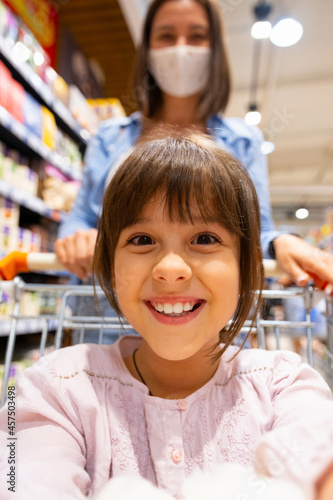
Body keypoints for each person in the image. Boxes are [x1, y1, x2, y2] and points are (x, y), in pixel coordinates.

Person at [1, 134, 333, 500]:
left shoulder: (286, 386)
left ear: (245, 266)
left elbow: (315, 457)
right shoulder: (54, 389)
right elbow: (25, 480)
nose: (170, 269)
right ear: (110, 267)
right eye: (142, 240)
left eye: (205, 239)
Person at [54, 0, 333, 343]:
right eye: (166, 36)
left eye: (197, 36)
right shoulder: (110, 137)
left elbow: (252, 232)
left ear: (216, 50)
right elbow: (78, 218)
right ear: (147, 50)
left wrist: (280, 242)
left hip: (202, 333)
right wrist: (78, 235)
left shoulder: (242, 141)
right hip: (106, 326)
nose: (181, 49)